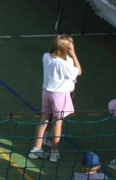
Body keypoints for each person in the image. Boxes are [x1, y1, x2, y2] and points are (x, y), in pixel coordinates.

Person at [29, 34, 81, 162]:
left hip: (46, 92)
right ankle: (54, 153)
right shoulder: (62, 64)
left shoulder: (46, 56)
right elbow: (78, 71)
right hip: (59, 95)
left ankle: (36, 149)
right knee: (58, 124)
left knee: (44, 120)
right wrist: (74, 54)